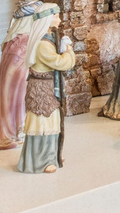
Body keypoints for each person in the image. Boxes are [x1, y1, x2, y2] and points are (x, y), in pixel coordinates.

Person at [0, 0, 58, 150]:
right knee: (17, 102)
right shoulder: (24, 41)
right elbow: (21, 67)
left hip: (16, 81)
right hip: (19, 82)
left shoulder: (15, 39)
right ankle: (14, 133)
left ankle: (13, 131)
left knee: (14, 101)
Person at [17, 12, 76, 174]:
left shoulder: (50, 37)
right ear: (46, 19)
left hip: (48, 87)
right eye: (56, 16)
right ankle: (40, 161)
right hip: (41, 89)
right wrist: (69, 51)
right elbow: (62, 63)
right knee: (41, 123)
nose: (60, 20)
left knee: (52, 122)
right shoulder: (43, 44)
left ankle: (52, 156)